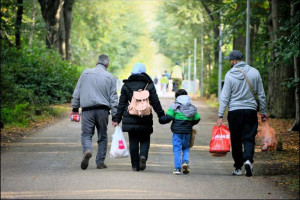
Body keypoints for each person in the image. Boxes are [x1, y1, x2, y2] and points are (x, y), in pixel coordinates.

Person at [217, 50, 267, 177]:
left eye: (230, 60)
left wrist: (220, 115)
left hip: (234, 112)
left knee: (236, 139)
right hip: (250, 110)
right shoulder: (255, 72)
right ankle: (248, 160)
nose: (229, 62)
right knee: (249, 137)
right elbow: (261, 94)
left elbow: (224, 97)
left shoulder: (229, 75)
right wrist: (264, 112)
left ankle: (238, 168)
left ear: (234, 61)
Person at [112, 63, 165, 171]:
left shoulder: (126, 85)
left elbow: (121, 104)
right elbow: (155, 102)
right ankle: (143, 156)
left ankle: (135, 165)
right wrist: (161, 115)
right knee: (145, 138)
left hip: (130, 117)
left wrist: (116, 118)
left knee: (133, 141)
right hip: (145, 116)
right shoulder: (149, 84)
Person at [71, 54, 118, 170]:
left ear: (97, 62)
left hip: (87, 110)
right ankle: (100, 162)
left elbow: (77, 91)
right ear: (107, 64)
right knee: (102, 136)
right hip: (103, 110)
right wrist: (115, 115)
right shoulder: (110, 77)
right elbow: (113, 98)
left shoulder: (85, 73)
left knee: (86, 134)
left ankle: (87, 150)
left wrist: (75, 108)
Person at [159, 89, 200, 175]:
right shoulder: (191, 107)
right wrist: (190, 124)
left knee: (177, 149)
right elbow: (197, 118)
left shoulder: (174, 106)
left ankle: (177, 168)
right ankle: (185, 163)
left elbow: (167, 118)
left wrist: (161, 118)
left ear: (176, 97)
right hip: (187, 132)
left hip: (177, 132)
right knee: (186, 148)